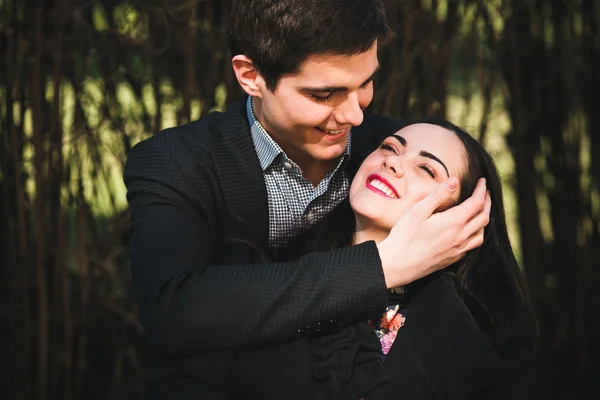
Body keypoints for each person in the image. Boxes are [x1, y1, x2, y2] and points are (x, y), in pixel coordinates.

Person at [123, 0, 492, 397]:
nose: (355, 116)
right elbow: (178, 312)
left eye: (364, 84)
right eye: (324, 94)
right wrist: (382, 267)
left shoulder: (391, 153)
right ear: (251, 76)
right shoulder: (175, 163)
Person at [226, 119, 537, 399]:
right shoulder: (268, 266)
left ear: (463, 216)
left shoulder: (483, 332)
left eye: (427, 169)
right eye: (390, 147)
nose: (393, 163)